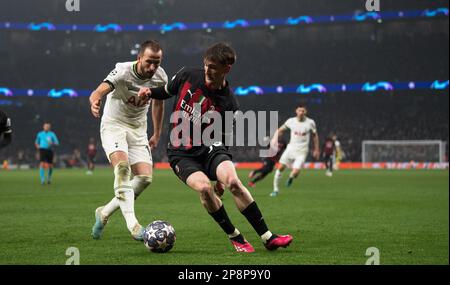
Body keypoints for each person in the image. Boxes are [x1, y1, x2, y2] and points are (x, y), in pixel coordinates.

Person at [138, 42, 293, 252]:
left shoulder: (229, 104)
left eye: (213, 67)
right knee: (204, 188)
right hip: (180, 152)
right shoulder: (187, 75)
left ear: (226, 69)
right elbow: (166, 91)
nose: (207, 70)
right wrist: (149, 92)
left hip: (211, 147)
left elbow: (223, 138)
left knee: (234, 182)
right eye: (206, 65)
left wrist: (222, 175)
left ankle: (268, 237)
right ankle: (235, 236)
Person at [89, 40, 168, 241]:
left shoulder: (160, 77)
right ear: (139, 57)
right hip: (114, 125)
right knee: (123, 168)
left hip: (138, 130)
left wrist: (157, 133)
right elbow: (99, 90)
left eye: (157, 63)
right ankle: (133, 226)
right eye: (149, 62)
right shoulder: (123, 71)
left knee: (144, 179)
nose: (153, 67)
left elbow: (158, 104)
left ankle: (104, 212)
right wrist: (95, 100)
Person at [270, 105, 320, 197]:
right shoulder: (291, 121)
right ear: (296, 111)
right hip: (291, 148)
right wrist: (274, 139)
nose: (301, 112)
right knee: (280, 168)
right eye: (299, 110)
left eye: (303, 111)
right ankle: (275, 190)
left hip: (302, 151)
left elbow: (314, 136)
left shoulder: (310, 123)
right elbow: (280, 130)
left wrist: (316, 149)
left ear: (306, 112)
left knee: (296, 172)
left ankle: (291, 177)